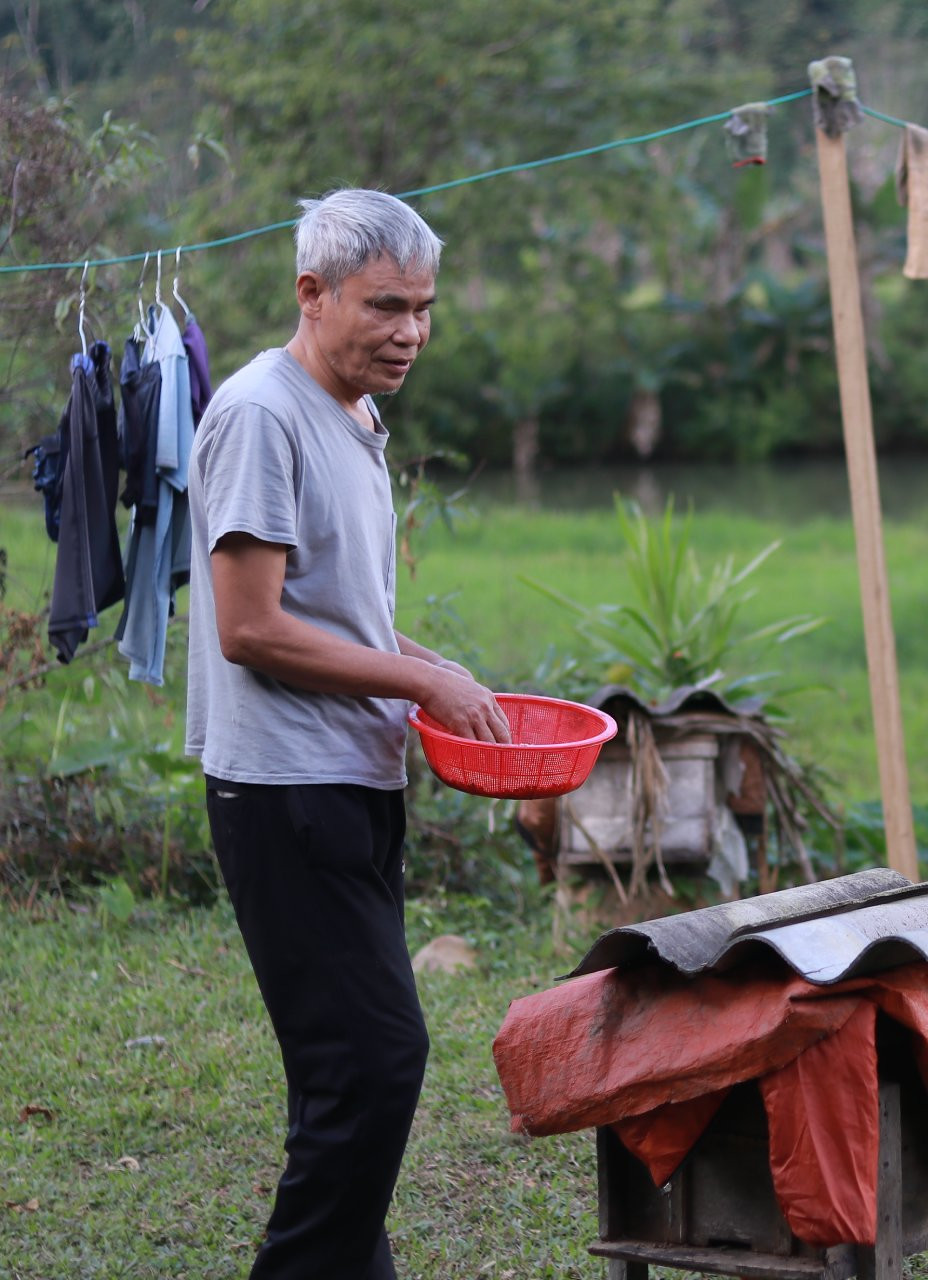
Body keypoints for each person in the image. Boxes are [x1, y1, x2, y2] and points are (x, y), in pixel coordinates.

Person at [185, 188, 509, 1279]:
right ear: (310, 293)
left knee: (347, 1072)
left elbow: (335, 610)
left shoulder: (355, 415)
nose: (410, 331)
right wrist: (420, 681)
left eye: (423, 307)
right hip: (285, 791)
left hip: (352, 781)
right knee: (375, 1061)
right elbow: (251, 626)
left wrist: (432, 667)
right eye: (385, 306)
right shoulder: (259, 414)